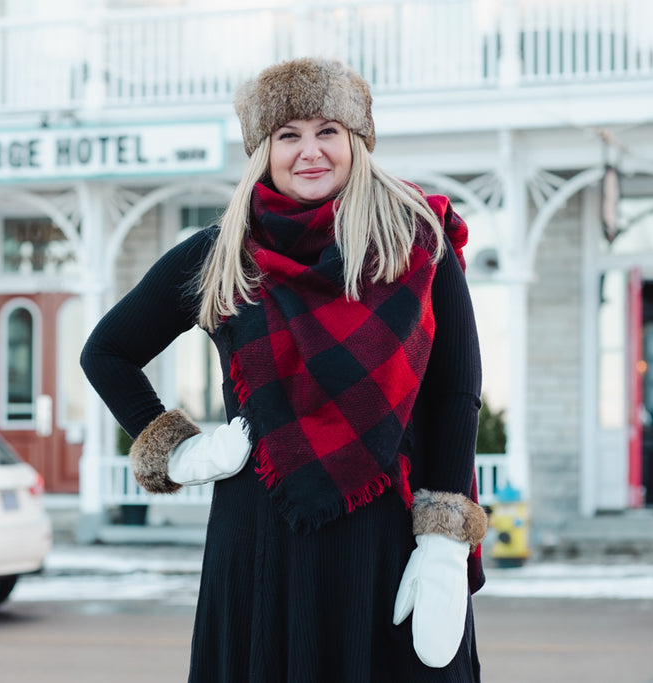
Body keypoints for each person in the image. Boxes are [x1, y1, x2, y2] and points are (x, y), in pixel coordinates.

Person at [81, 57, 486, 682]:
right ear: (262, 151)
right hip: (261, 540)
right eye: (288, 135)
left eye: (328, 130)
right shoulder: (222, 254)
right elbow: (106, 352)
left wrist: (442, 541)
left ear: (356, 139)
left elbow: (454, 394)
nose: (310, 151)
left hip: (385, 538)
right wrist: (178, 449)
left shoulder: (419, 243)